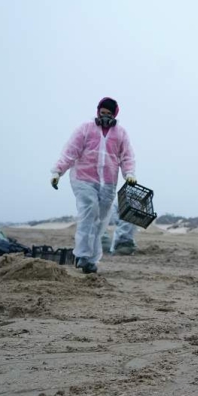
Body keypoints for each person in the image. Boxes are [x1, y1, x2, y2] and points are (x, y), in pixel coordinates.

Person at [50, 97, 137, 274]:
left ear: (114, 115)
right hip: (83, 179)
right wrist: (58, 171)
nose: (105, 116)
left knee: (101, 221)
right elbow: (70, 151)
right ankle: (81, 255)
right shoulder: (85, 129)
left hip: (108, 183)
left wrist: (129, 174)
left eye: (109, 114)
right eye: (102, 113)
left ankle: (91, 260)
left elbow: (127, 156)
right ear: (98, 112)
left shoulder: (120, 133)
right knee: (89, 213)